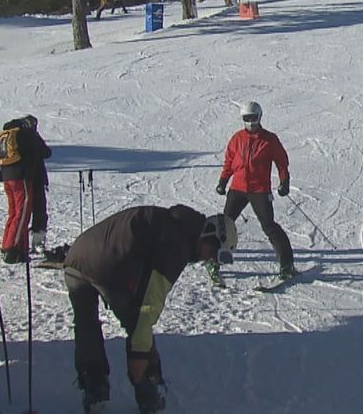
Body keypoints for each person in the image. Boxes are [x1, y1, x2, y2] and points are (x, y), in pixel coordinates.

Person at [62, 205, 237, 414]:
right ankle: (148, 389)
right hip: (107, 267)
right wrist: (140, 355)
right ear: (208, 234)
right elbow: (148, 305)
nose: (210, 259)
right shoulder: (176, 244)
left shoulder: (173, 223)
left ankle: (94, 388)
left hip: (76, 258)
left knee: (86, 323)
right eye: (213, 252)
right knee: (138, 324)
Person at [214, 101, 296, 285]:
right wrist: (223, 181)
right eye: (247, 118)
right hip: (238, 188)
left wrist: (284, 181)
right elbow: (229, 161)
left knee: (269, 226)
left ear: (260, 117)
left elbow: (281, 161)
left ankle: (287, 264)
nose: (251, 122)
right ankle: (214, 262)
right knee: (225, 225)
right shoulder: (237, 138)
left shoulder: (269, 139)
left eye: (254, 118)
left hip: (259, 190)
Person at [0, 114, 53, 263]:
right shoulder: (25, 135)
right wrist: (27, 174)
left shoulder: (2, 136)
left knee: (13, 213)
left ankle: (13, 247)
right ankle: (12, 249)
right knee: (22, 214)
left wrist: (1, 175)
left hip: (8, 178)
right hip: (23, 179)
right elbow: (44, 152)